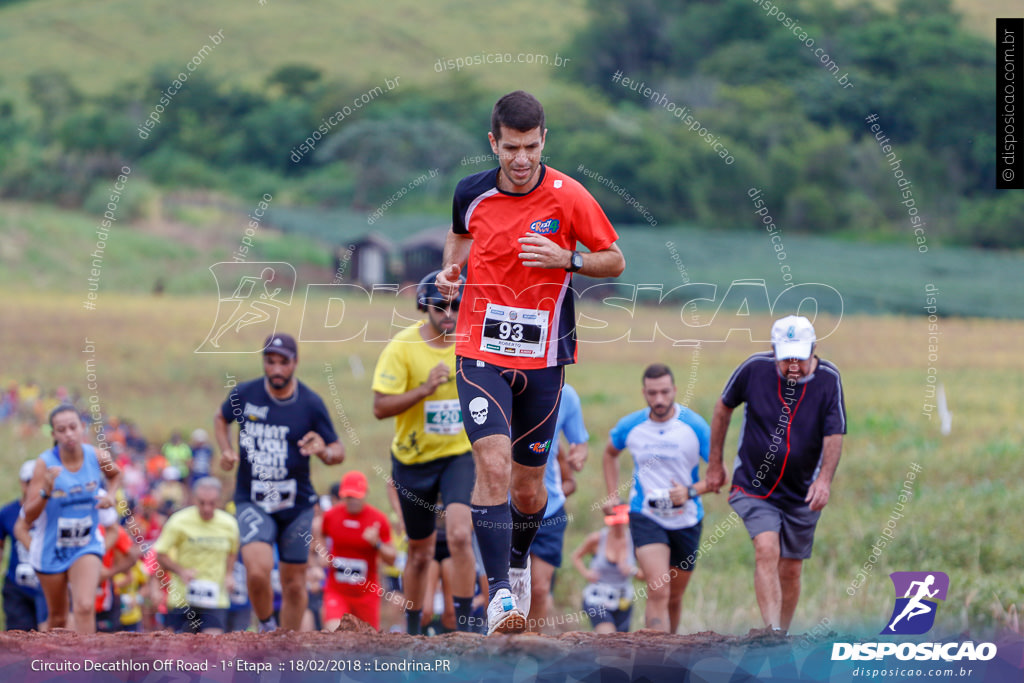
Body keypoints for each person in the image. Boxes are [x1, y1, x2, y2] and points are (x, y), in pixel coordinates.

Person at [436, 89, 626, 634]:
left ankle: (516, 565)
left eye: (533, 147)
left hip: (544, 358)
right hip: (479, 350)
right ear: (493, 143)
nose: (522, 160)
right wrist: (452, 270)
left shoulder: (570, 196)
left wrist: (569, 258)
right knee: (491, 465)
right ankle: (498, 597)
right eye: (512, 148)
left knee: (527, 488)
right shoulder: (469, 193)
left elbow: (615, 259)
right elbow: (458, 236)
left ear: (546, 141)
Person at [705, 315, 846, 634]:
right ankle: (771, 635)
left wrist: (824, 480)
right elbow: (722, 408)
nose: (793, 364)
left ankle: (782, 633)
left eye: (800, 356)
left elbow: (835, 432)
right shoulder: (753, 369)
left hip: (802, 491)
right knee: (767, 548)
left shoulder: (828, 379)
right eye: (786, 358)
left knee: (792, 569)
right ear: (773, 351)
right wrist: (715, 463)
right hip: (755, 485)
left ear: (813, 349)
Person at [216, 332, 345, 632]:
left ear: (295, 363)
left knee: (295, 585)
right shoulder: (245, 395)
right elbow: (220, 418)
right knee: (258, 571)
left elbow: (339, 450)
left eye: (283, 363)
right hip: (253, 500)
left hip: (296, 506)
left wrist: (323, 450)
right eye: (270, 361)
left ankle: (285, 646)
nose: (276, 369)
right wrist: (225, 448)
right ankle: (266, 629)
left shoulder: (311, 404)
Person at [371, 269, 477, 634]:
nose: (449, 313)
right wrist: (423, 390)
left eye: (456, 306)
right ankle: (413, 628)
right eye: (440, 306)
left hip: (458, 455)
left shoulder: (471, 344)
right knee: (419, 552)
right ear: (423, 306)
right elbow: (380, 408)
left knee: (461, 534)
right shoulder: (402, 348)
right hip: (413, 461)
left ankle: (465, 628)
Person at [603, 364, 712, 633]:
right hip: (646, 515)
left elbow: (720, 476)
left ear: (675, 390)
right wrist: (612, 494)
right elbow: (609, 453)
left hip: (686, 519)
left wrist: (690, 491)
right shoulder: (631, 425)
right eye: (652, 393)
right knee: (659, 590)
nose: (659, 400)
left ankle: (670, 655)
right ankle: (653, 660)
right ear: (644, 393)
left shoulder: (695, 426)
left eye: (664, 392)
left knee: (674, 596)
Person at [22, 404, 121, 634]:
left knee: (85, 606)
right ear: (53, 434)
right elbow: (28, 515)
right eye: (61, 429)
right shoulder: (44, 464)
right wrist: (45, 491)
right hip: (50, 548)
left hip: (85, 544)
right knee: (57, 617)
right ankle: (53, 665)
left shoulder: (96, 455)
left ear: (82, 428)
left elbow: (115, 474)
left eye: (73, 427)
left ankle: (86, 666)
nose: (68, 434)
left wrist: (112, 495)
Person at [527, 382, 589, 630]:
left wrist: (580, 455)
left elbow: (579, 446)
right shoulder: (499, 388)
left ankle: (530, 650)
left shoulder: (566, 395)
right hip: (502, 512)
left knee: (540, 589)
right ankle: (500, 650)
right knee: (505, 592)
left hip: (548, 511)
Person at [154, 477, 240, 633]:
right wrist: (181, 571)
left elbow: (232, 552)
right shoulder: (179, 521)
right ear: (194, 499)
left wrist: (229, 574)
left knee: (213, 646)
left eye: (212, 503)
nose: (207, 508)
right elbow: (161, 553)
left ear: (219, 501)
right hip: (182, 597)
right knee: (180, 649)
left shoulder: (229, 524)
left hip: (215, 598)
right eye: (202, 503)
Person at [316, 471, 395, 631]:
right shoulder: (331, 516)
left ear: (365, 494)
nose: (352, 501)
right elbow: (319, 531)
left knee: (366, 644)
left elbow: (392, 558)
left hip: (366, 595)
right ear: (342, 496)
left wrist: (377, 543)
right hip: (337, 591)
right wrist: (322, 552)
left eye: (356, 496)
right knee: (334, 630)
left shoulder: (378, 520)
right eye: (348, 496)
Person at [572, 504, 640, 633]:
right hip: (597, 597)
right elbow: (576, 557)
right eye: (614, 518)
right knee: (608, 637)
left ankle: (592, 650)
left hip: (623, 599)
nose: (618, 523)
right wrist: (586, 573)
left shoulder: (635, 541)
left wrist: (632, 570)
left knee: (621, 644)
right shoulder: (597, 538)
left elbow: (645, 575)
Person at [0, 460, 48, 631]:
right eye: (30, 482)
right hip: (17, 589)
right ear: (22, 484)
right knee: (18, 638)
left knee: (48, 638)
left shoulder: (51, 511)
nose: (34, 487)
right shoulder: (7, 513)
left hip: (48, 585)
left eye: (39, 482)